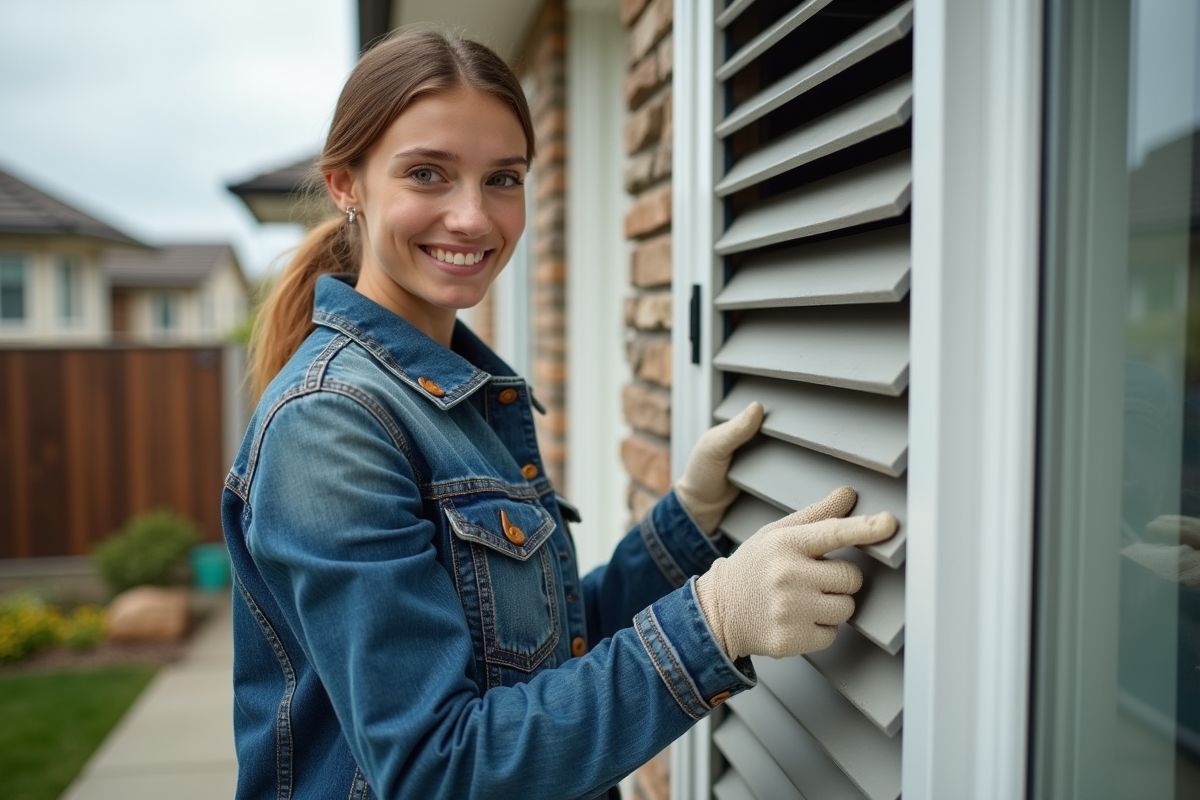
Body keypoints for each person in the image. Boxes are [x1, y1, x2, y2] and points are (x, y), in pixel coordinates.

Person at [222, 29, 898, 800]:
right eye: (427, 174)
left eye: (502, 179)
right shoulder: (332, 425)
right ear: (347, 185)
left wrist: (686, 523)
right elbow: (436, 770)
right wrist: (714, 623)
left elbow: (542, 653)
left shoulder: (457, 395)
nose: (473, 218)